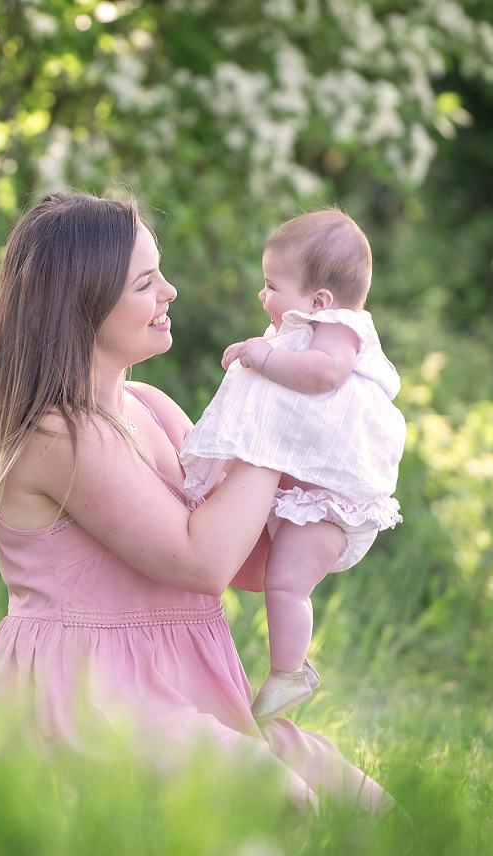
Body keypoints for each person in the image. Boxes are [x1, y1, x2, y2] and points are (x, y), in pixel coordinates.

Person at [0, 191, 390, 815]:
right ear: (81, 304)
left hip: (182, 682)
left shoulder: (152, 407)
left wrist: (325, 492)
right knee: (285, 807)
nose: (169, 292)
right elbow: (204, 562)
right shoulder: (60, 435)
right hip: (92, 692)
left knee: (371, 812)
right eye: (145, 283)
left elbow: (248, 562)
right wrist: (278, 411)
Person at [180, 209, 406, 722]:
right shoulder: (301, 330)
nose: (262, 296)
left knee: (286, 583)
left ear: (319, 301)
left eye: (271, 286)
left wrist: (262, 357)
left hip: (332, 507)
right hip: (303, 498)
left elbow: (325, 374)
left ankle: (289, 673)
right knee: (277, 578)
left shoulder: (339, 330)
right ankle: (283, 671)